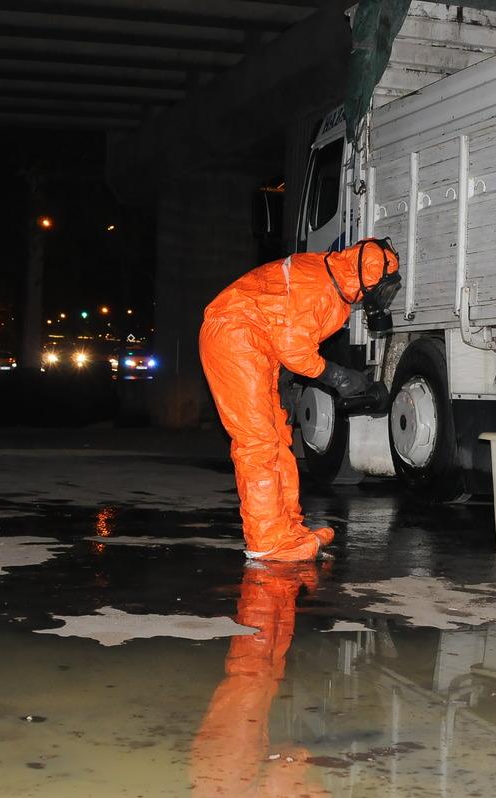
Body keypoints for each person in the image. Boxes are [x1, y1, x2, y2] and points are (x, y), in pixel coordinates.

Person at [200, 238, 401, 562]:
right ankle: (266, 542)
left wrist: (284, 386)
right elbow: (294, 347)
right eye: (381, 285)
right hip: (235, 338)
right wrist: (338, 377)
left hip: (255, 344)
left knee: (279, 438)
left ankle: (287, 529)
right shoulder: (322, 288)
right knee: (258, 444)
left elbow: (281, 327)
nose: (380, 295)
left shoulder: (331, 281)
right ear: (367, 276)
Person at [190, 561, 330, 797]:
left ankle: (269, 582)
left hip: (230, 761)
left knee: (255, 669)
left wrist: (296, 759)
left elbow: (280, 776)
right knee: (264, 669)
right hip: (228, 764)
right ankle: (276, 584)